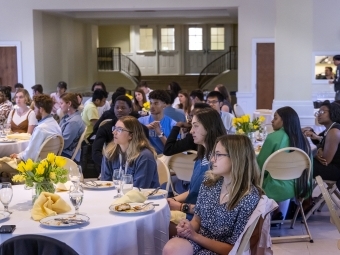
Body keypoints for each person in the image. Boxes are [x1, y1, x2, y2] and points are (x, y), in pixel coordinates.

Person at [163, 135, 263, 255]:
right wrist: (188, 227)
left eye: (218, 154)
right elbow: (197, 221)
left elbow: (233, 249)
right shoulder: (210, 183)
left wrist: (194, 236)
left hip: (221, 249)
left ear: (236, 158)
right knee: (171, 249)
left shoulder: (249, 197)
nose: (212, 160)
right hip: (199, 239)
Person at [166, 108, 226, 236]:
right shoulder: (202, 155)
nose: (191, 131)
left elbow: (216, 207)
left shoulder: (218, 162)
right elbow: (194, 190)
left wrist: (181, 206)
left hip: (204, 220)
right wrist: (172, 200)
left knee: (157, 223)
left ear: (209, 127)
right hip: (193, 213)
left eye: (196, 126)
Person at [257, 106, 311, 220]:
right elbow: (310, 169)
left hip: (273, 188)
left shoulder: (273, 137)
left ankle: (263, 217)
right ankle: (277, 212)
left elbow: (260, 166)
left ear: (284, 120)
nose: (272, 121)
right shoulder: (304, 140)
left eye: (275, 118)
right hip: (300, 187)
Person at [92, 96, 149, 172]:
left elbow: (144, 150)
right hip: (112, 165)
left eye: (123, 108)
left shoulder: (140, 128)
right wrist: (109, 166)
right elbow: (96, 153)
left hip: (135, 166)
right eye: (117, 107)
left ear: (130, 110)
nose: (119, 110)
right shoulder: (105, 128)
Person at [101, 116, 159, 188]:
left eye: (119, 130)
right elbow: (105, 184)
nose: (114, 132)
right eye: (114, 128)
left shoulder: (145, 156)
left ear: (131, 135)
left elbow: (140, 189)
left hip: (145, 198)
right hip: (117, 196)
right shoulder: (110, 152)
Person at [10, 94, 62, 162]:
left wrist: (18, 155)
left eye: (34, 108)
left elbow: (29, 156)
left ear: (41, 109)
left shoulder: (40, 129)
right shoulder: (56, 124)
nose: (33, 111)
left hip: (34, 166)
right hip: (50, 164)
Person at [303, 102, 340, 189]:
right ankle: (305, 198)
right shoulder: (329, 129)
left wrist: (316, 154)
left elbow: (325, 160)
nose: (318, 115)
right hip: (333, 167)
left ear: (332, 112)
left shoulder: (334, 131)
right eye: (318, 112)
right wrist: (318, 149)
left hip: (335, 170)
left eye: (322, 112)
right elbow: (320, 141)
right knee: (302, 160)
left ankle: (304, 198)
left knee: (301, 163)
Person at [138, 90, 177, 154]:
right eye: (151, 103)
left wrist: (160, 133)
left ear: (164, 105)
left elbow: (172, 149)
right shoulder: (141, 121)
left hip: (165, 159)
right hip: (145, 158)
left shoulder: (172, 124)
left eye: (156, 103)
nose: (152, 106)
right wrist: (145, 128)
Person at [59, 93, 85, 162]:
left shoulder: (73, 122)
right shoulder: (68, 117)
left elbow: (63, 145)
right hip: (64, 152)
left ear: (69, 104)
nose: (60, 106)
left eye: (61, 103)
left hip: (66, 154)